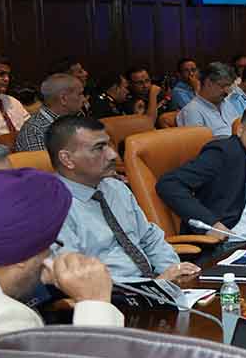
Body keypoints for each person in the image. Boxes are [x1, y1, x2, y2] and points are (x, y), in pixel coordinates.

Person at [48, 116, 196, 282]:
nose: (112, 155)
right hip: (113, 294)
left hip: (157, 285)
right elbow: (78, 280)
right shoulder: (53, 209)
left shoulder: (115, 187)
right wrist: (157, 284)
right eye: (99, 148)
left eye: (108, 145)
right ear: (67, 159)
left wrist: (174, 271)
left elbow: (149, 238)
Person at [0, 168, 124, 339]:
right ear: (21, 256)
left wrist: (33, 276)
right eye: (49, 246)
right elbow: (97, 355)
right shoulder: (8, 319)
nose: (50, 255)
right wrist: (94, 301)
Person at [158, 103, 246, 241]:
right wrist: (210, 224)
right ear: (240, 130)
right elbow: (169, 184)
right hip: (230, 243)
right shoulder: (223, 154)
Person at [13, 73, 86, 153]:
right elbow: (41, 162)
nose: (84, 99)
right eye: (80, 94)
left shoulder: (76, 119)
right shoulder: (35, 131)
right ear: (63, 99)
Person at [176, 62, 236, 137]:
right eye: (223, 86)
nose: (227, 91)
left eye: (229, 86)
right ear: (208, 83)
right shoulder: (192, 111)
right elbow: (198, 143)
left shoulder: (227, 103)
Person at [0, 53, 30, 142]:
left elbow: (31, 128)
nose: (6, 79)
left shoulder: (13, 102)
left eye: (8, 75)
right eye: (1, 74)